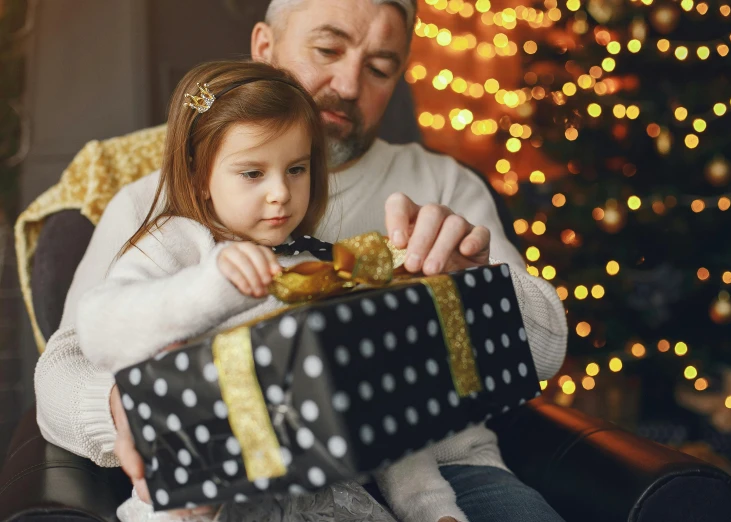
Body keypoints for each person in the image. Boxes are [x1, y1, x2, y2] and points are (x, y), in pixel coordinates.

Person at [34, 1, 569, 521]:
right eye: (327, 49)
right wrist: (137, 408)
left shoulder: (444, 183)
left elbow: (543, 350)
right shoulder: (157, 207)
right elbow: (66, 364)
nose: (349, 85)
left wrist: (471, 291)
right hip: (237, 477)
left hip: (442, 466)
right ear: (264, 47)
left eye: (380, 68)